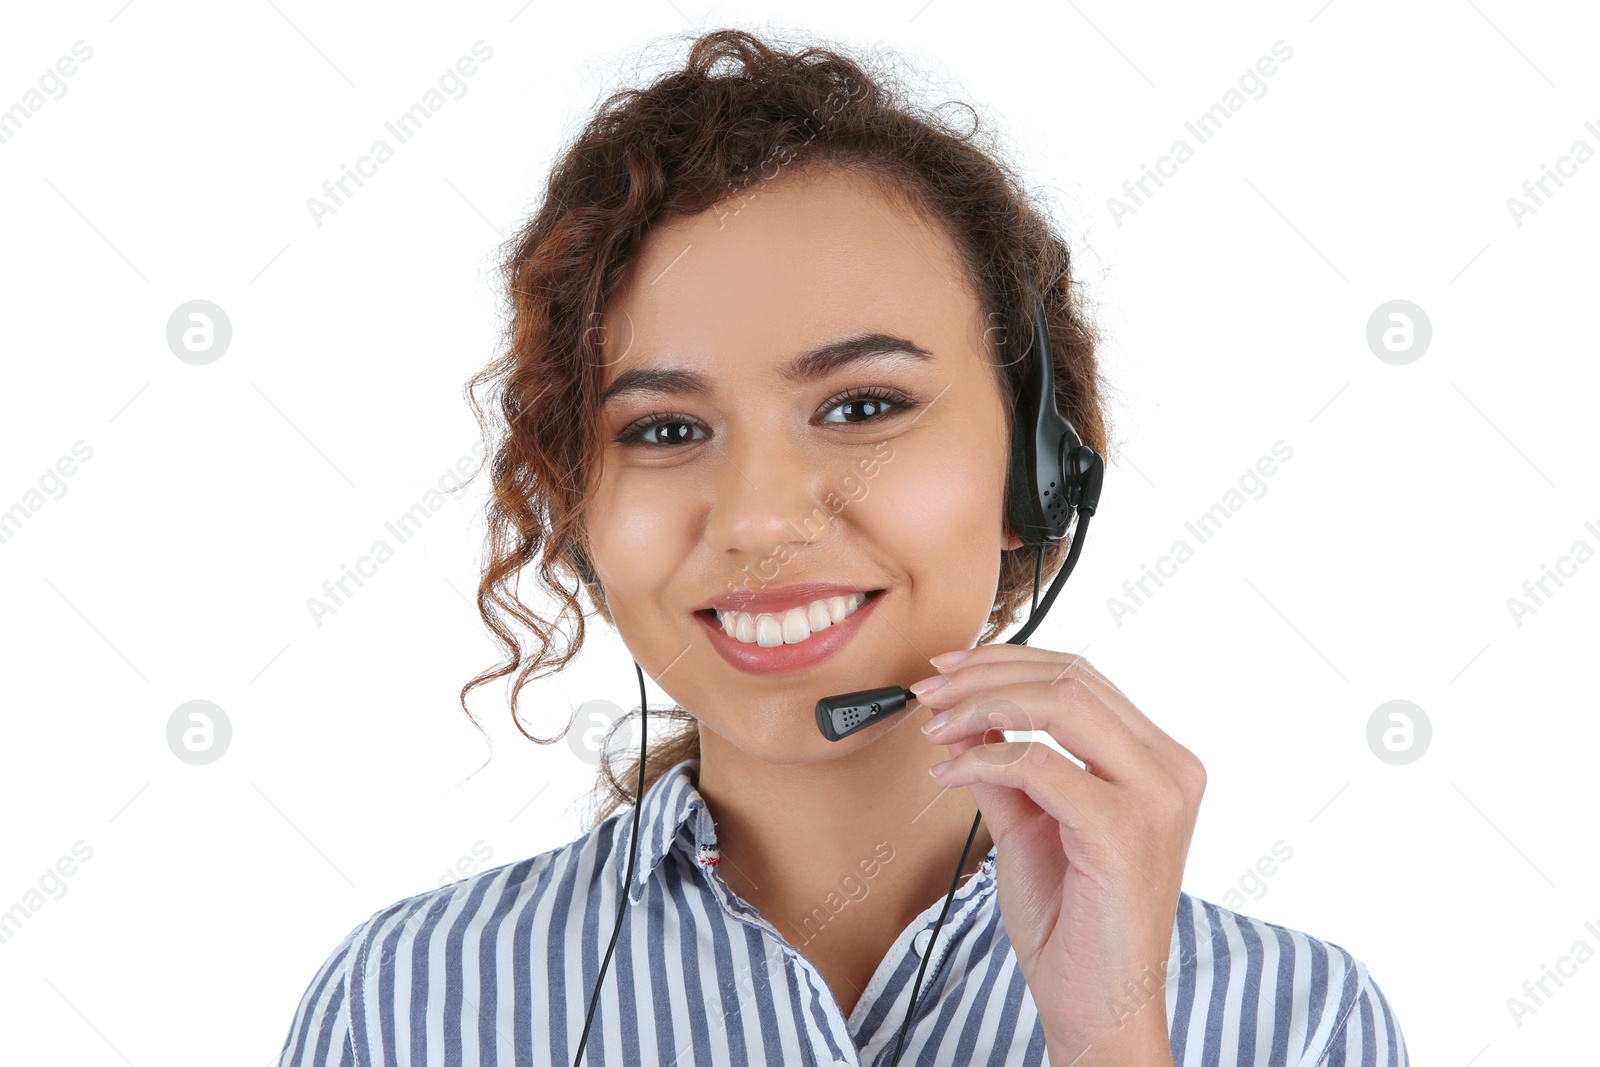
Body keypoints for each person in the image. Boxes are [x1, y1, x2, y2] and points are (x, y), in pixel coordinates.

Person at [275, 27, 1408, 1067]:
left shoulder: (1293, 1019)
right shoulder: (410, 1002)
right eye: (665, 429)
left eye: (863, 406)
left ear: (1038, 468)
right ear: (579, 512)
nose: (761, 518)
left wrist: (1110, 1036)